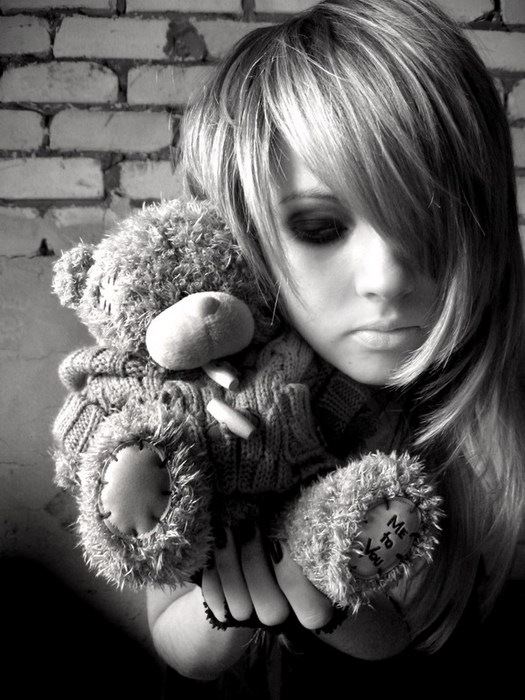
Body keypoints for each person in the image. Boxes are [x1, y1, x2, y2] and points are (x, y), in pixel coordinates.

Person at [147, 1, 525, 695]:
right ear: (239, 233)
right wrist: (240, 601)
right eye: (320, 227)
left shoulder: (496, 418)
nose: (387, 280)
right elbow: (176, 640)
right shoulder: (213, 410)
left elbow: (417, 636)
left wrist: (339, 604)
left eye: (429, 218)